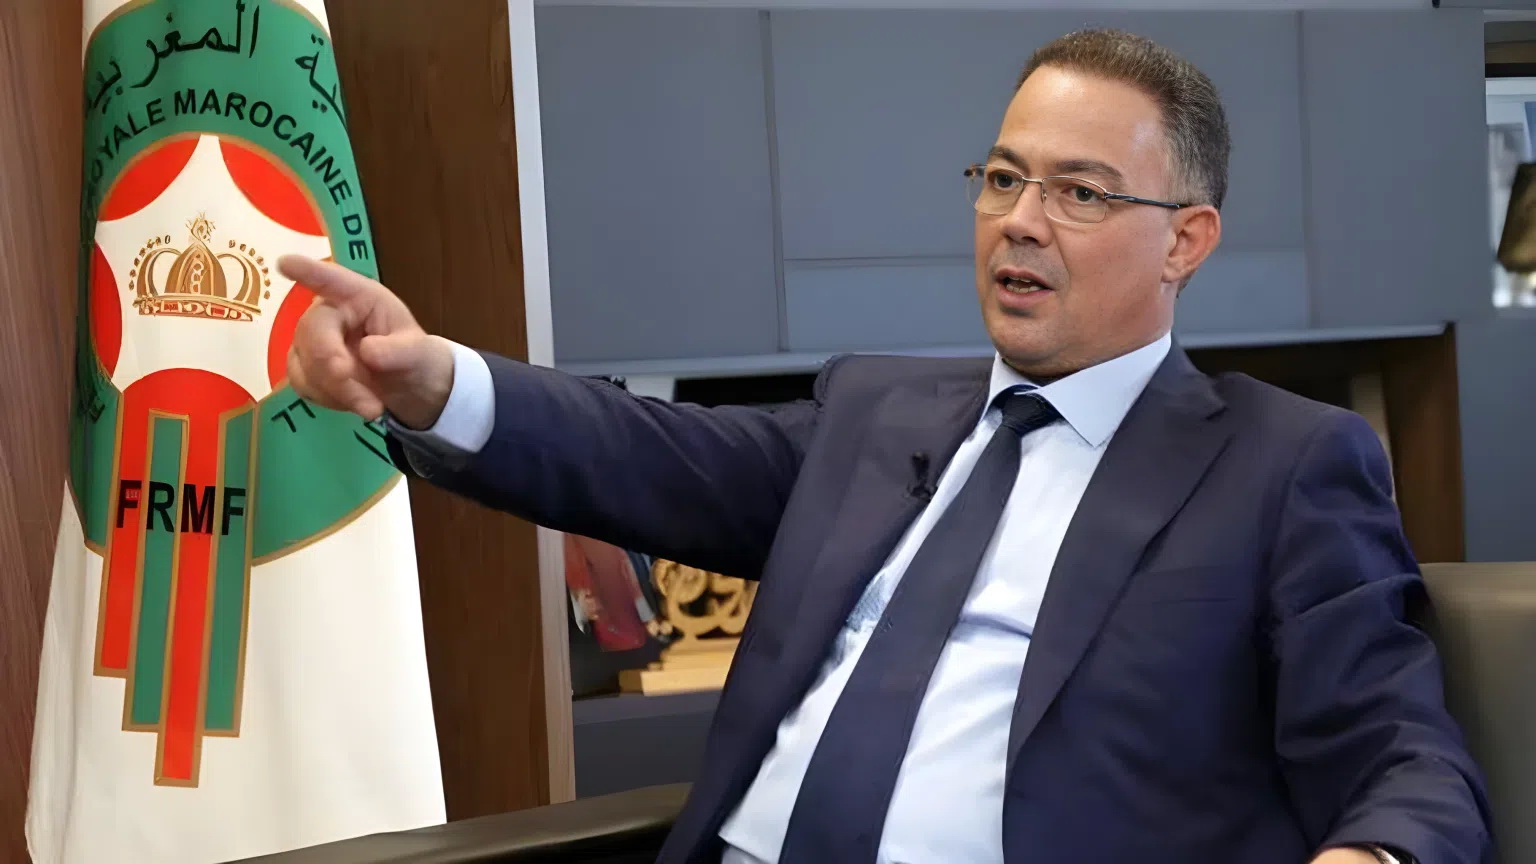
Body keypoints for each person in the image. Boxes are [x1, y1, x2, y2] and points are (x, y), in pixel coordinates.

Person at [277, 28, 1490, 864]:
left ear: (1186, 241)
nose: (1020, 221)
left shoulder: (1284, 465)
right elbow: (646, 453)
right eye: (1003, 178)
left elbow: (1399, 752)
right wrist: (431, 379)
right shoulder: (875, 410)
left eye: (1079, 193)